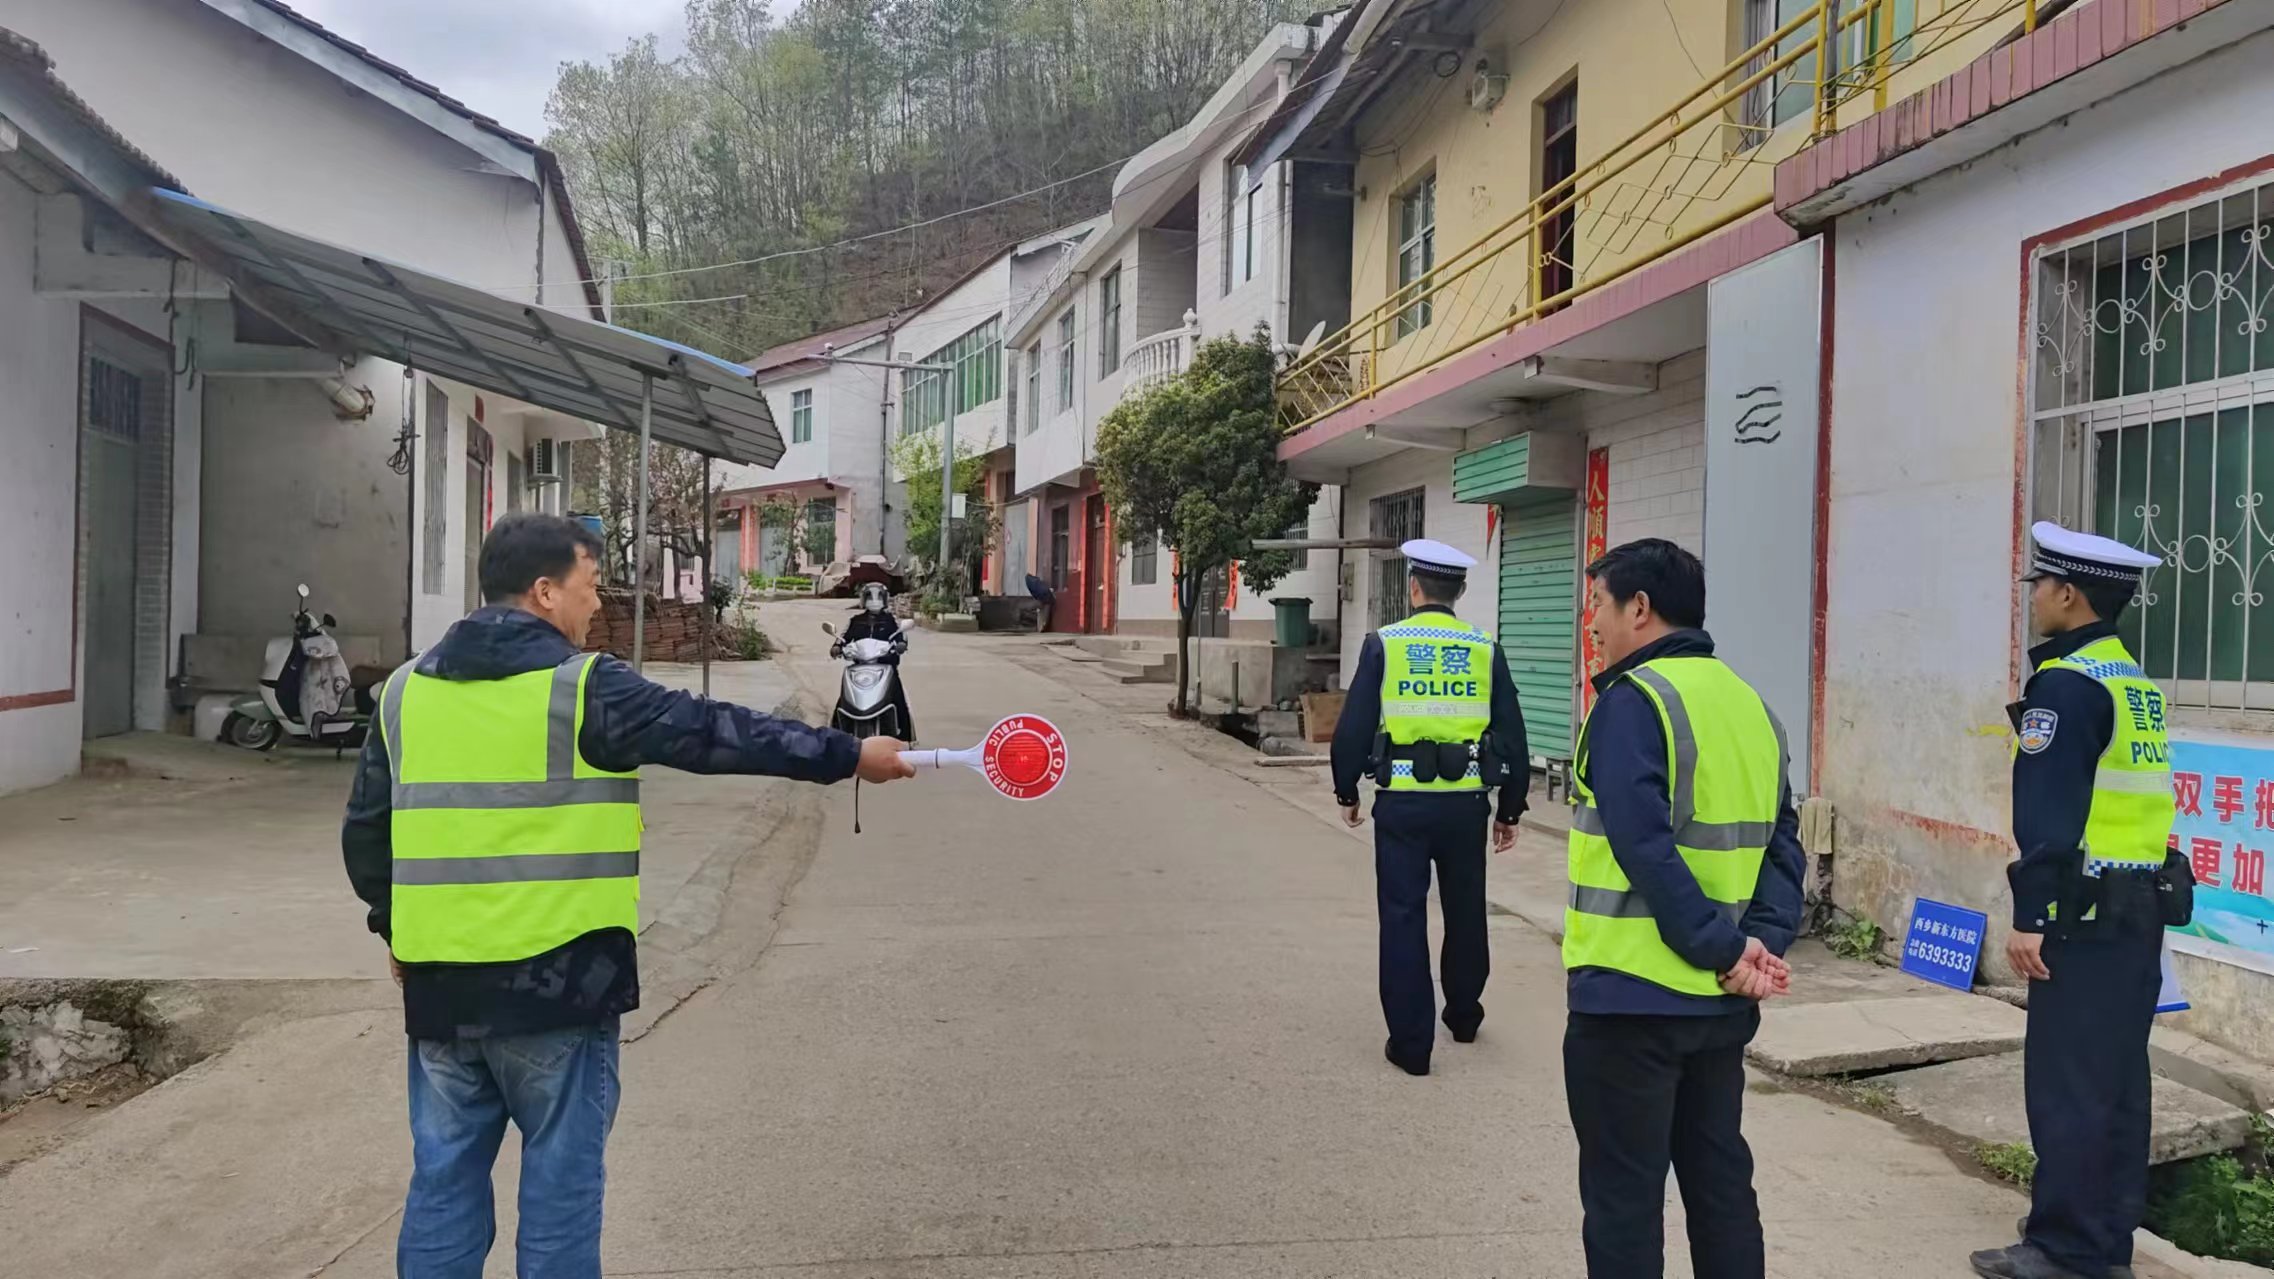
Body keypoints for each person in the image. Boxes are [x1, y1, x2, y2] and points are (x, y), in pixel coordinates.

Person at [342, 513, 915, 1279]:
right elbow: (712, 733)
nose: (595, 604)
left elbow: (365, 835)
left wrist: (395, 927)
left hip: (441, 990)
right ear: (544, 591)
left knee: (443, 1183)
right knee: (560, 1193)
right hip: (559, 993)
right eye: (588, 585)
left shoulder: (404, 691)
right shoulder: (583, 688)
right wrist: (848, 753)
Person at [1561, 538, 1805, 1279]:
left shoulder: (1633, 702)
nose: (1592, 623)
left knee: (1624, 1202)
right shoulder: (1753, 707)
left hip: (1630, 999)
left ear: (1639, 608)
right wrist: (1756, 946)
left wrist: (1725, 949)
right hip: (1720, 1006)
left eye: (1598, 604)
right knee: (1719, 1183)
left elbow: (1644, 847)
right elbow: (1782, 845)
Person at [1970, 523, 2179, 1279]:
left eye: (2041, 587)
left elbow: (2049, 812)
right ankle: (2103, 1236)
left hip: (2082, 915)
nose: (2034, 600)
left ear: (2068, 594)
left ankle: (2066, 1249)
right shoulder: (2132, 680)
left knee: (2068, 1084)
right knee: (2116, 1083)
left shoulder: (2065, 685)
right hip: (2137, 907)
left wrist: (2031, 914)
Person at [1330, 538, 1528, 1077]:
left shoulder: (1385, 644)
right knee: (1466, 909)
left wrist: (1347, 789)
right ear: (1459, 591)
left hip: (1402, 805)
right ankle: (1463, 1016)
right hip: (1466, 805)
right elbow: (1512, 733)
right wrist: (1510, 808)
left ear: (1413, 588)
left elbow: (1354, 724)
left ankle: (1412, 1044)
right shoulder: (1485, 648)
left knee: (1402, 915)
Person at [837, 581, 916, 743]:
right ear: (863, 599)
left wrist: (901, 645)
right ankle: (836, 736)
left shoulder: (891, 621)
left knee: (898, 699)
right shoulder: (855, 620)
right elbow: (843, 638)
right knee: (843, 700)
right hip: (859, 667)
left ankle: (905, 739)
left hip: (886, 666)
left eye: (879, 597)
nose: (874, 600)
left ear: (885, 599)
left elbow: (901, 637)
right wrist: (836, 646)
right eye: (870, 597)